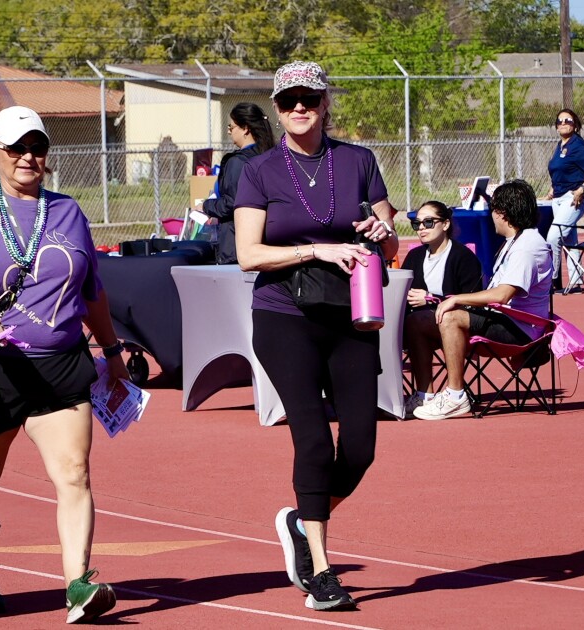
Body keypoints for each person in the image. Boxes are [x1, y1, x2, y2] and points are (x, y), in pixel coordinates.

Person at [0, 105, 129, 625]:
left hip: (61, 365)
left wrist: (111, 351)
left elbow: (91, 293)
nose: (28, 157)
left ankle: (79, 583)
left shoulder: (67, 212)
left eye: (37, 147)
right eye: (16, 148)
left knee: (75, 473)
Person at [233, 60, 399, 612]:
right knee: (311, 438)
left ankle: (302, 522)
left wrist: (383, 231)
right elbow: (247, 256)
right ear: (277, 109)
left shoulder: (358, 161)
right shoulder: (257, 171)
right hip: (283, 316)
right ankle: (323, 574)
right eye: (288, 101)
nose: (299, 107)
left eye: (309, 98)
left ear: (326, 102)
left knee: (361, 446)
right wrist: (314, 249)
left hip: (351, 314)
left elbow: (391, 245)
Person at [413, 179, 554, 421]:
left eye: (493, 211)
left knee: (450, 317)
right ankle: (424, 394)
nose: (492, 217)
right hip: (503, 319)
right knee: (417, 321)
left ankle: (455, 396)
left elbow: (502, 294)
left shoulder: (528, 246)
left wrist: (455, 299)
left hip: (520, 328)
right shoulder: (515, 241)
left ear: (503, 213)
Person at [400, 200, 484, 417]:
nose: (421, 228)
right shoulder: (415, 257)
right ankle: (423, 396)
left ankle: (454, 396)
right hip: (422, 326)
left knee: (420, 320)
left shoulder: (463, 257)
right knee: (411, 321)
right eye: (416, 224)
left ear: (445, 224)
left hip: (460, 326)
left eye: (428, 222)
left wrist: (430, 299)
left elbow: (473, 300)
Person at [201, 103, 275, 264]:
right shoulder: (271, 155)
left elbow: (233, 203)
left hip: (237, 245)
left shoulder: (239, 162)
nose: (229, 131)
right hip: (268, 243)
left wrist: (206, 206)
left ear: (245, 128)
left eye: (231, 126)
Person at [542, 108, 584, 292]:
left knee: (553, 236)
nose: (563, 123)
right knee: (570, 240)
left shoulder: (578, 146)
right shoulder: (560, 146)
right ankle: (575, 282)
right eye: (559, 121)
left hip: (573, 198)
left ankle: (551, 280)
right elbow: (560, 170)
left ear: (574, 124)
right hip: (558, 198)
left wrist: (582, 189)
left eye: (567, 120)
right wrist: (553, 189)